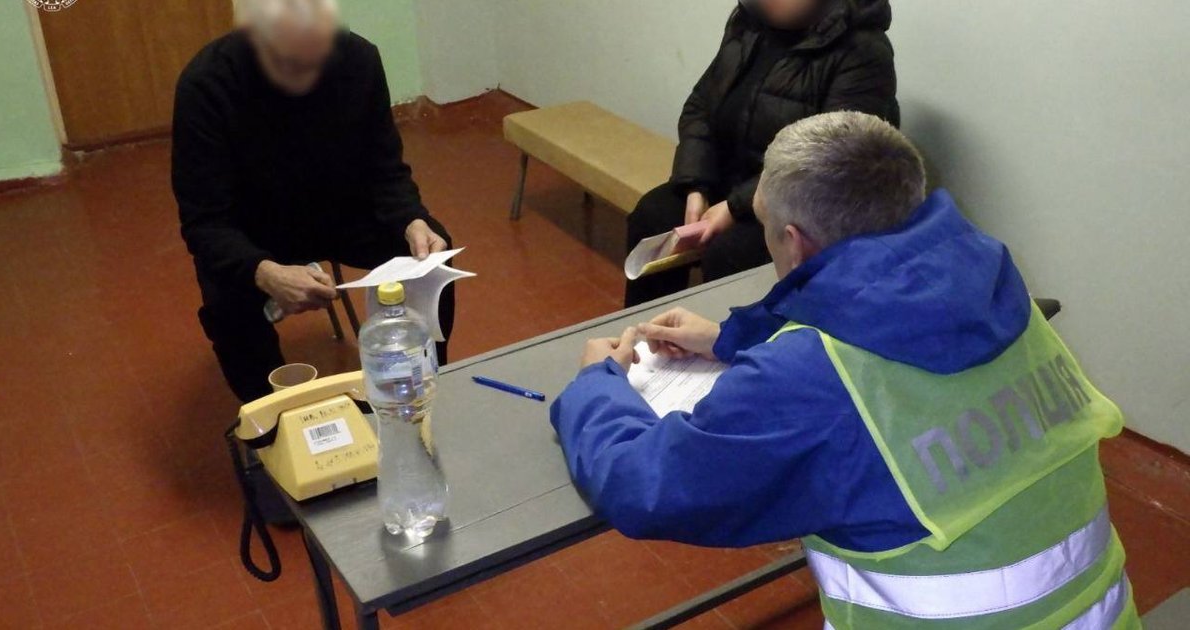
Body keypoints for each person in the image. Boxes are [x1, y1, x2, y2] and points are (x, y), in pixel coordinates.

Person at [553, 112, 1138, 628]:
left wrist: (595, 385)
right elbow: (879, 314)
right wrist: (731, 338)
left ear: (794, 241)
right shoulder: (995, 289)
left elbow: (645, 486)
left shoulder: (803, 379)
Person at [173, 0, 454, 402]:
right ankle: (272, 416)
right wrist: (264, 272)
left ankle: (425, 387)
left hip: (342, 213)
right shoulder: (207, 84)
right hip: (254, 232)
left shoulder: (358, 59)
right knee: (227, 302)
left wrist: (412, 218)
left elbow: (385, 170)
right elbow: (205, 223)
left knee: (430, 256)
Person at [626, 0, 899, 307]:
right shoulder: (748, 22)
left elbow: (828, 159)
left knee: (731, 253)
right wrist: (695, 185)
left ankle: (723, 335)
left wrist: (734, 208)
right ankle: (646, 331)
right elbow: (700, 107)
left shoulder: (863, 51)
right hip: (731, 182)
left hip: (801, 204)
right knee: (653, 214)